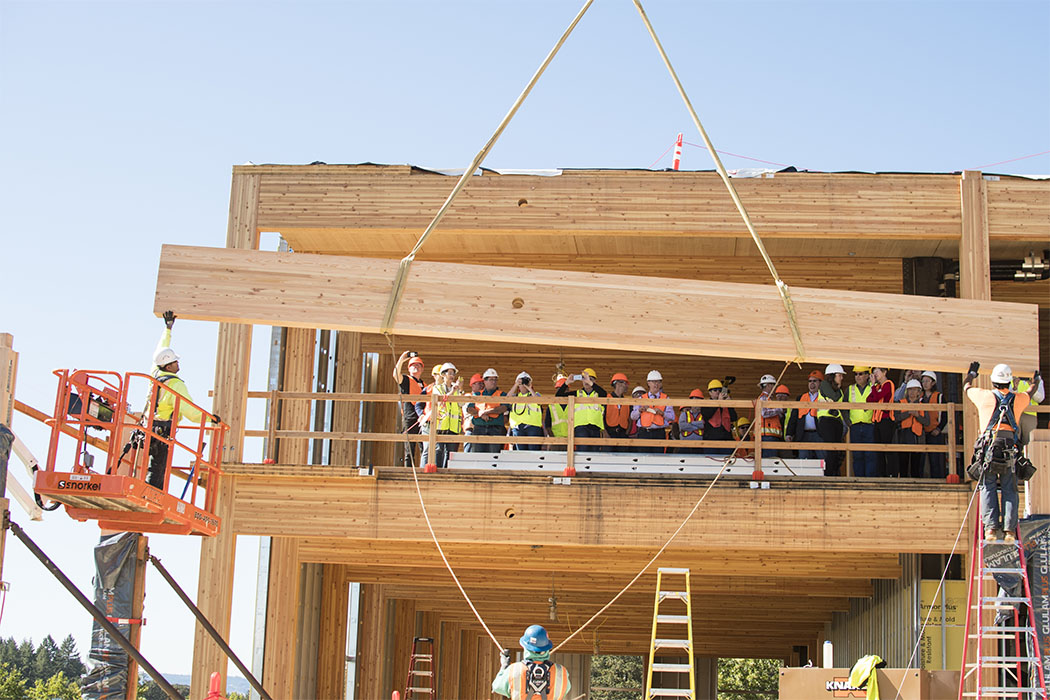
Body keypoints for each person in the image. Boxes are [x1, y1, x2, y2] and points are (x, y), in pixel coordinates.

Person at [148, 311, 218, 490]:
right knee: (158, 468)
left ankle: (151, 492)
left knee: (154, 465)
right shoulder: (176, 386)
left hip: (149, 425)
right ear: (169, 366)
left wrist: (168, 329)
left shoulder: (155, 373)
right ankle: (152, 494)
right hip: (163, 429)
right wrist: (212, 419)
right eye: (175, 362)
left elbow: (160, 349)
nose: (179, 364)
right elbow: (191, 413)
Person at [965, 362, 1030, 541]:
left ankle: (991, 529)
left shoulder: (984, 396)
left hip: (989, 448)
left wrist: (972, 373)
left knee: (988, 486)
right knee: (1010, 488)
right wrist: (1036, 380)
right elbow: (1031, 391)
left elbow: (966, 387)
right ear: (1009, 382)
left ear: (993, 381)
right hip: (1010, 448)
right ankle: (1009, 530)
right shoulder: (1019, 399)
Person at [492, 625, 571, 700]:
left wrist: (504, 667)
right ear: (546, 648)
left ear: (526, 648)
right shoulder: (561, 672)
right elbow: (564, 690)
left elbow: (497, 686)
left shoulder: (514, 670)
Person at [422, 363, 463, 468]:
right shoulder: (437, 388)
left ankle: (448, 474)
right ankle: (438, 472)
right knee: (438, 451)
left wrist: (460, 391)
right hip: (440, 425)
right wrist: (453, 392)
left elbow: (461, 404)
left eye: (453, 373)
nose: (452, 375)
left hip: (453, 426)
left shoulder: (457, 389)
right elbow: (440, 401)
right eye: (449, 373)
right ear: (443, 375)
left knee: (451, 453)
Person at [555, 368, 606, 452]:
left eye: (590, 379)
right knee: (583, 451)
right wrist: (566, 383)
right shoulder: (577, 394)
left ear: (594, 381)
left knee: (595, 453)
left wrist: (589, 382)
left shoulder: (599, 394)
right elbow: (558, 396)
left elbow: (604, 394)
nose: (586, 381)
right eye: (584, 379)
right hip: (581, 427)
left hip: (595, 428)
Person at [393, 351, 426, 467]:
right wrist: (402, 358)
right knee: (409, 450)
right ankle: (408, 472)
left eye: (418, 365)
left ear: (422, 369)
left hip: (422, 419)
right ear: (409, 369)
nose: (416, 367)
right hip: (410, 418)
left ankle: (423, 470)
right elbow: (395, 375)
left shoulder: (424, 385)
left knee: (424, 447)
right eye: (413, 365)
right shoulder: (406, 380)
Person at [816, 364, 849, 476]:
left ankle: (835, 473)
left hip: (836, 421)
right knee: (831, 449)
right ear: (832, 375)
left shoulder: (839, 390)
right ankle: (829, 474)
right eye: (839, 375)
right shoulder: (824, 385)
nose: (842, 378)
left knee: (837, 450)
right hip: (826, 420)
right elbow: (834, 397)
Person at [466, 368, 509, 454]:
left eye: (495, 379)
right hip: (479, 428)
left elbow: (503, 408)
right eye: (491, 379)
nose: (493, 382)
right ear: (485, 381)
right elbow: (469, 409)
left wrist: (486, 412)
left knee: (494, 455)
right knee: (478, 455)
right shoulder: (477, 394)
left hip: (496, 429)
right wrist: (479, 413)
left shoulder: (502, 394)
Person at [630, 370, 674, 453]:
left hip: (659, 433)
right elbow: (633, 416)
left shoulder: (666, 399)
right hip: (644, 433)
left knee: (658, 460)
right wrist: (640, 410)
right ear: (648, 383)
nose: (656, 384)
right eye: (653, 382)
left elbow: (672, 417)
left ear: (661, 384)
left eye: (658, 382)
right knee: (643, 459)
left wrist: (662, 413)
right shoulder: (641, 399)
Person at [785, 371, 823, 459]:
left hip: (819, 435)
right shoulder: (801, 398)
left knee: (822, 460)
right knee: (803, 460)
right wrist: (789, 433)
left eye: (815, 381)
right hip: (803, 434)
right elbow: (794, 417)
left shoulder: (824, 397)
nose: (812, 384)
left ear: (820, 383)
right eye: (810, 381)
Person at [867, 367, 897, 477]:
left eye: (877, 372)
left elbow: (879, 396)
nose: (875, 374)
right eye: (874, 372)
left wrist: (873, 386)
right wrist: (874, 386)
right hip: (877, 421)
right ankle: (881, 474)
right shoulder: (877, 387)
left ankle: (891, 473)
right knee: (878, 449)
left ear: (884, 372)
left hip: (886, 420)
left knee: (887, 447)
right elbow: (869, 400)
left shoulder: (888, 384)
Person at [895, 379, 928, 478]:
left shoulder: (923, 405)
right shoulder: (901, 403)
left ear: (919, 392)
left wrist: (917, 415)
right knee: (903, 464)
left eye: (915, 390)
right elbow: (896, 418)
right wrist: (908, 412)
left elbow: (927, 422)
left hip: (917, 438)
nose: (912, 392)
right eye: (910, 390)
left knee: (916, 466)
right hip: (904, 435)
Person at [847, 366, 876, 477]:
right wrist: (848, 422)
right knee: (857, 455)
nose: (858, 377)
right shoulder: (850, 389)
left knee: (870, 454)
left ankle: (869, 479)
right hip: (855, 426)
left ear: (867, 375)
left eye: (861, 374)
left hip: (870, 425)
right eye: (856, 374)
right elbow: (843, 407)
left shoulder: (873, 387)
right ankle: (859, 479)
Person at [920, 371, 947, 479]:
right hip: (922, 432)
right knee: (921, 460)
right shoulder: (920, 397)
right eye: (923, 381)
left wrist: (939, 429)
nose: (925, 383)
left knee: (936, 459)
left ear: (933, 383)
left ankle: (938, 479)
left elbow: (945, 414)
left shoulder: (939, 397)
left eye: (927, 381)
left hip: (935, 431)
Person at [508, 372, 545, 450]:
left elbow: (539, 401)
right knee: (521, 453)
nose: (524, 385)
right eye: (522, 383)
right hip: (518, 428)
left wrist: (529, 388)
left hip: (533, 427)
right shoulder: (515, 397)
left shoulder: (535, 394)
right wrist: (516, 384)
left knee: (533, 452)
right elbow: (506, 399)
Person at [700, 379, 737, 455]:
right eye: (715, 390)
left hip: (726, 440)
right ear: (710, 393)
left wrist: (730, 405)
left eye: (719, 390)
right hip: (711, 441)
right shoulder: (705, 404)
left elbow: (734, 418)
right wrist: (718, 403)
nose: (718, 392)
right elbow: (707, 415)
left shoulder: (725, 404)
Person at [1014, 371, 1044, 447]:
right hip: (1015, 414)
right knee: (1014, 441)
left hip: (1030, 415)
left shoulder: (1037, 379)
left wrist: (1033, 385)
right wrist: (1015, 387)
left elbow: (1040, 398)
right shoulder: (1012, 377)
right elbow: (1007, 396)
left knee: (1029, 443)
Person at [604, 373, 633, 451]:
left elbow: (630, 420)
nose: (627, 386)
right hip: (609, 433)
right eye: (625, 383)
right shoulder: (606, 398)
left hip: (623, 434)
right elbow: (601, 417)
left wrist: (626, 433)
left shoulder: (627, 401)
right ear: (617, 384)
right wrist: (605, 433)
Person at [545, 375, 570, 451]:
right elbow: (547, 424)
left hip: (569, 440)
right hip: (555, 440)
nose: (561, 391)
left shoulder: (573, 405)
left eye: (563, 389)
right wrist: (554, 440)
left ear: (568, 390)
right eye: (558, 389)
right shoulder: (551, 406)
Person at [462, 373, 485, 452]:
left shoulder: (485, 397)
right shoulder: (468, 396)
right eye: (479, 383)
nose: (482, 385)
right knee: (468, 455)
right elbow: (470, 410)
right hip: (470, 430)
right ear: (472, 385)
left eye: (483, 383)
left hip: (482, 430)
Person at [678, 389, 705, 454]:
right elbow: (682, 426)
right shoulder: (684, 414)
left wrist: (691, 424)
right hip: (684, 446)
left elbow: (704, 425)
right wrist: (698, 425)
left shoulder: (704, 414)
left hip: (699, 446)